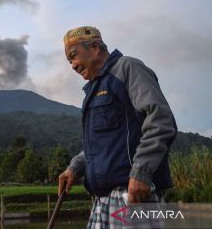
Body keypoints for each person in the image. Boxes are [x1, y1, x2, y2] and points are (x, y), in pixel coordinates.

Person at [58, 26, 177, 228]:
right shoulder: (93, 90)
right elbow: (101, 146)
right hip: (101, 201)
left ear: (95, 47)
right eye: (69, 61)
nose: (72, 65)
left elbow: (160, 120)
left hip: (131, 196)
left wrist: (141, 173)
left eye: (74, 56)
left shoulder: (127, 68)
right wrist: (74, 167)